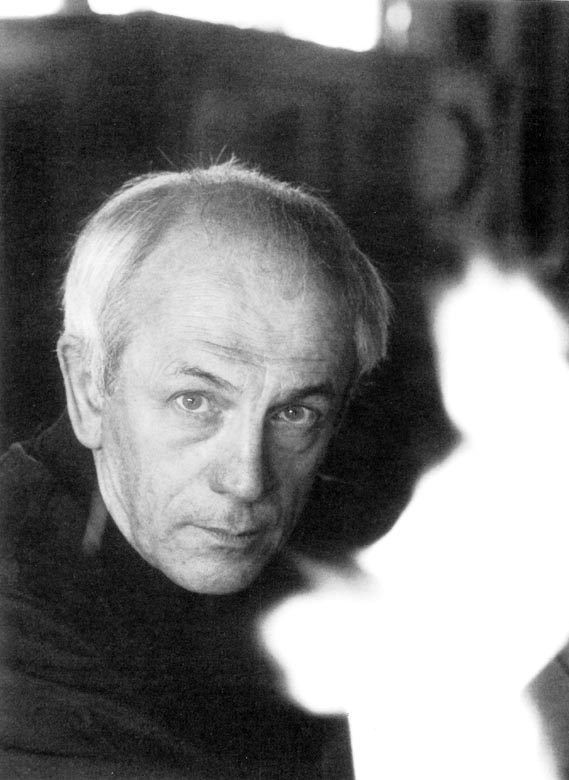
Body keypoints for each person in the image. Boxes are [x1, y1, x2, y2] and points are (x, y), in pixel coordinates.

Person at [0, 161, 392, 779]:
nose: (246, 480)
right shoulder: (18, 631)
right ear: (88, 388)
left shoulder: (335, 566)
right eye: (195, 401)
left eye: (294, 413)